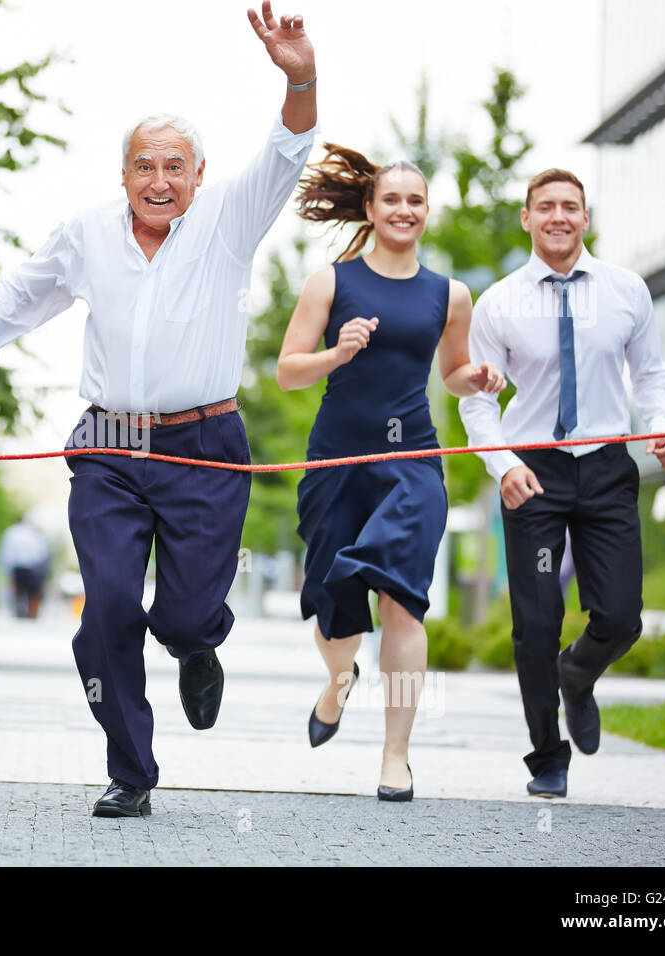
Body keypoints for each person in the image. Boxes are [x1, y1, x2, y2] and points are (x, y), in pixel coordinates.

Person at [0, 2, 321, 818]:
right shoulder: (86, 232)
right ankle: (132, 769)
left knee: (180, 613)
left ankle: (197, 643)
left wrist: (299, 76)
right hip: (107, 445)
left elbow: (290, 149)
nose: (159, 181)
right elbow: (22, 293)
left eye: (175, 166)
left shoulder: (228, 222)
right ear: (123, 175)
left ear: (200, 175)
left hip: (204, 445)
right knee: (108, 604)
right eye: (145, 165)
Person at [277, 145, 505, 802]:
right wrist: (337, 353)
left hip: (412, 465)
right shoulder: (332, 282)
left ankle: (395, 757)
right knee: (334, 609)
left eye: (415, 200)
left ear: (426, 212)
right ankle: (337, 680)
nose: (404, 210)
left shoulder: (450, 294)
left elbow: (456, 373)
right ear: (371, 211)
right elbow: (288, 370)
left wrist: (477, 379)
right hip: (337, 462)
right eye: (392, 200)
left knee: (403, 602)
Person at [458, 169, 665, 800]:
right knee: (536, 620)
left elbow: (654, 376)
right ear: (527, 219)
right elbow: (477, 406)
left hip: (608, 464)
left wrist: (662, 426)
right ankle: (546, 756)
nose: (559, 216)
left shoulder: (626, 291)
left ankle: (577, 675)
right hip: (533, 470)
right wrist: (504, 465)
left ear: (586, 218)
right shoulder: (498, 302)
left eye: (571, 207)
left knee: (621, 617)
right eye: (546, 206)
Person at [0, 517, 50, 618]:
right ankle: (31, 612)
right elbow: (42, 552)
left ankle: (20, 609)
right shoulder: (33, 533)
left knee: (19, 590)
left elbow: (6, 552)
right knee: (33, 591)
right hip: (33, 566)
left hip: (17, 565)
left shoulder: (10, 532)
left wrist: (7, 569)